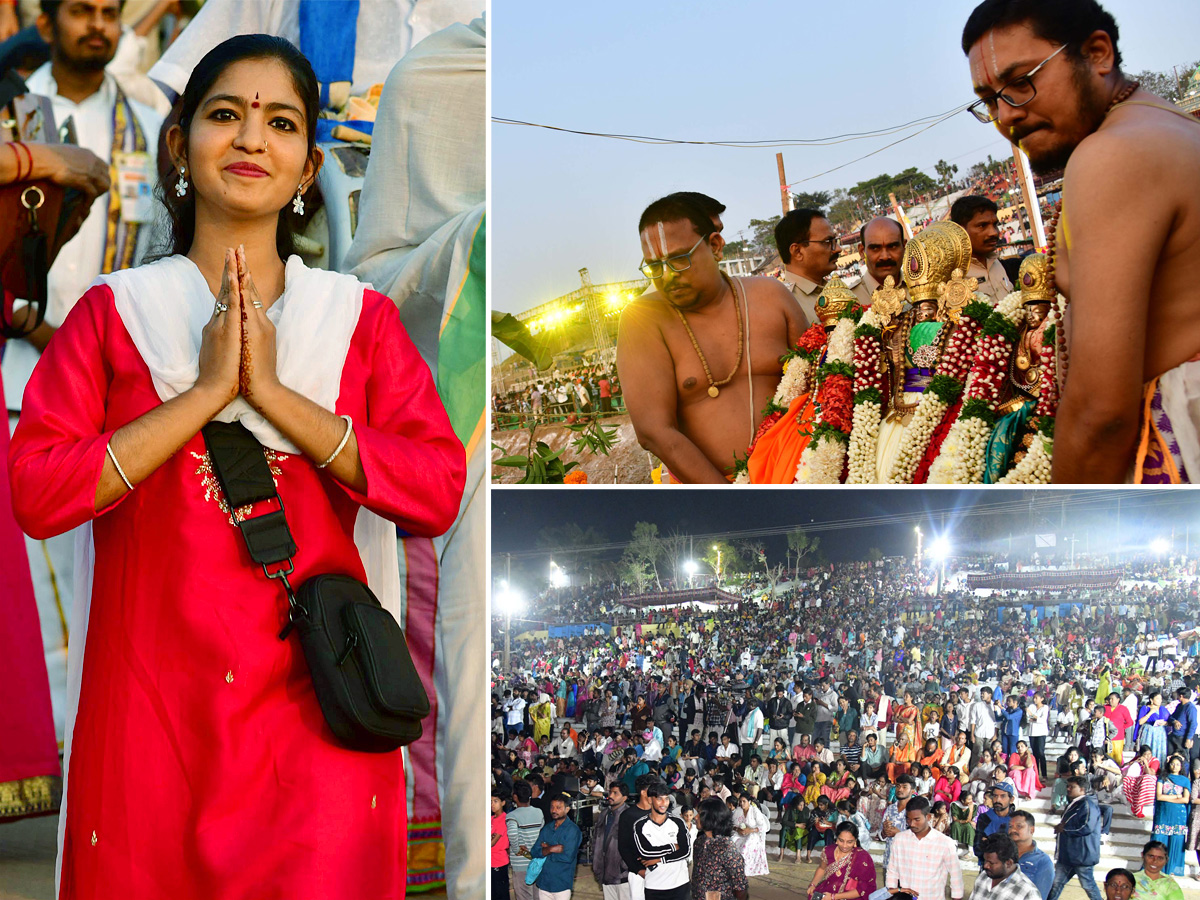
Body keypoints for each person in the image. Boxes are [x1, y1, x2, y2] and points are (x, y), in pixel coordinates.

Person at [8, 34, 465, 899]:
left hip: (320, 721)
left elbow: (436, 487)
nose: (253, 139)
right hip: (154, 729)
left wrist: (278, 396)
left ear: (308, 166)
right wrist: (205, 393)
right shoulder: (114, 318)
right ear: (178, 144)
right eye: (226, 114)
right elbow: (37, 491)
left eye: (281, 123)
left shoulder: (355, 322)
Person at [961, 0, 1200, 483]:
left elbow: (1100, 413)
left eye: (1022, 82)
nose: (1007, 116)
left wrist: (1059, 515)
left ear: (1097, 54)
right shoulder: (1172, 126)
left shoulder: (1112, 155)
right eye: (989, 100)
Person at [616, 194, 806, 483]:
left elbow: (822, 386)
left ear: (715, 246)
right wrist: (731, 501)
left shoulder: (771, 296)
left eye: (678, 259)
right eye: (655, 266)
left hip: (801, 473)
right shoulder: (644, 319)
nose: (667, 276)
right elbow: (654, 432)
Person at [886, 796, 965, 900]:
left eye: (917, 819)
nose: (912, 824)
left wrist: (957, 897)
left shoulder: (945, 843)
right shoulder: (900, 839)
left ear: (928, 817)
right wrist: (892, 893)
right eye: (908, 819)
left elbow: (956, 876)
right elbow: (892, 870)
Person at [775, 207, 839, 326]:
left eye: (835, 241)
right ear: (797, 252)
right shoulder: (784, 304)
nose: (838, 249)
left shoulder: (837, 291)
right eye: (827, 242)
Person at [949, 196, 1013, 305]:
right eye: (982, 225)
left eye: (995, 225)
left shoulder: (999, 264)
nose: (993, 232)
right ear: (959, 230)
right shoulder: (953, 277)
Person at [632, 781, 691, 900]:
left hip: (680, 884)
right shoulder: (640, 825)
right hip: (654, 886)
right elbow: (645, 852)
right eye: (659, 799)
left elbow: (686, 851)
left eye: (666, 799)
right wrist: (673, 847)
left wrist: (659, 859)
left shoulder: (678, 822)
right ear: (650, 800)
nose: (664, 803)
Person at [1047, 777, 1102, 900]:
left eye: (1072, 787)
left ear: (1082, 789)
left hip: (1081, 856)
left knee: (1088, 886)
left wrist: (1064, 829)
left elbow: (1086, 827)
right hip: (1069, 855)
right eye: (1068, 786)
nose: (1068, 789)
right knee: (1056, 884)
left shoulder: (1087, 805)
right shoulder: (1077, 803)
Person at [691, 796, 748, 900]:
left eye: (700, 814)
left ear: (711, 817)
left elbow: (740, 886)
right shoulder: (699, 842)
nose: (695, 817)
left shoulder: (726, 847)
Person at [531, 793, 583, 900]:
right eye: (552, 807)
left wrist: (545, 851)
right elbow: (534, 851)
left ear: (567, 809)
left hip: (561, 884)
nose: (554, 810)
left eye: (558, 807)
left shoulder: (573, 831)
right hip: (544, 882)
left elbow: (567, 857)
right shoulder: (547, 828)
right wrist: (551, 849)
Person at [806, 821, 877, 900]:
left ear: (855, 841)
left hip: (851, 896)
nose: (844, 845)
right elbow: (822, 868)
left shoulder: (862, 858)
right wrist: (813, 885)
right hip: (829, 891)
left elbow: (863, 889)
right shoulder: (828, 851)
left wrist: (834, 897)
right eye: (841, 840)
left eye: (849, 842)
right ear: (836, 838)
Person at [851, 217, 906, 307]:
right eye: (875, 248)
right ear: (862, 251)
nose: (885, 257)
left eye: (892, 246)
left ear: (904, 246)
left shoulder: (922, 287)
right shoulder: (849, 300)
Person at [970, 833, 1043, 900]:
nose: (986, 866)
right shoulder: (983, 877)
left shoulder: (1028, 893)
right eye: (985, 860)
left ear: (1008, 863)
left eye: (991, 863)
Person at [1152, 755, 1190, 876]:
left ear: (1181, 767)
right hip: (1163, 814)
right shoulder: (1162, 778)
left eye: (1178, 764)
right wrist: (1177, 797)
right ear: (1169, 764)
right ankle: (1155, 867)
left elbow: (1186, 800)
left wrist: (1168, 798)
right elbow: (1159, 796)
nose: (1175, 766)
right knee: (1159, 840)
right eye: (1173, 763)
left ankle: (1172, 869)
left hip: (1179, 816)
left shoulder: (1185, 780)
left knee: (1176, 841)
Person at [594, 782, 632, 900]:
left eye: (615, 793)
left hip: (622, 875)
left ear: (624, 797)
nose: (611, 795)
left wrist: (624, 867)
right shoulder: (604, 814)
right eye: (610, 792)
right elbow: (597, 839)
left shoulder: (629, 815)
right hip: (605, 872)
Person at [509, 780, 546, 900]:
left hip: (521, 863)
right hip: (537, 862)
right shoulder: (539, 812)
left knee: (524, 896)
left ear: (515, 796)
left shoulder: (512, 816)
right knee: (537, 895)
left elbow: (512, 834)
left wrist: (516, 849)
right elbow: (542, 833)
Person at [1009, 810, 1054, 900]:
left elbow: (1039, 896)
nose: (1013, 830)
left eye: (1019, 826)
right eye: (1010, 826)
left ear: (1032, 830)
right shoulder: (1002, 853)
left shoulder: (1042, 861)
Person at [732, 792, 770, 877]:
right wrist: (738, 829)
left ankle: (744, 869)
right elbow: (732, 825)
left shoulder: (755, 811)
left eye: (744, 801)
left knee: (746, 844)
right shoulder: (738, 811)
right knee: (732, 841)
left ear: (749, 802)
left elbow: (763, 826)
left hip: (753, 834)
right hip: (740, 834)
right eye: (740, 801)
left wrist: (750, 830)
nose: (742, 803)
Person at [1124, 745, 1160, 819]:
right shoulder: (1138, 758)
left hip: (1150, 780)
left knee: (1145, 779)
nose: (1147, 756)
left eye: (1149, 754)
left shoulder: (1154, 760)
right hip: (1139, 779)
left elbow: (1151, 773)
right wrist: (1134, 762)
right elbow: (1124, 766)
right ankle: (1134, 804)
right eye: (1145, 754)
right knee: (1127, 779)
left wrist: (1146, 764)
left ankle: (1139, 806)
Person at [494, 788, 512, 900]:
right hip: (490, 862)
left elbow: (491, 842)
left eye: (495, 801)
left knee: (501, 894)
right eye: (490, 801)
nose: (492, 804)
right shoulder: (490, 819)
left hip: (499, 862)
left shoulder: (504, 819)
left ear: (503, 803)